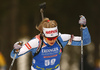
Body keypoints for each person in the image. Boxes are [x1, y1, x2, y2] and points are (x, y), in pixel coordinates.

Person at [10, 15, 91, 70]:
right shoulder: (36, 43)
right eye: (49, 38)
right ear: (43, 35)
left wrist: (84, 27)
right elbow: (13, 56)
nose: (52, 40)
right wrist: (15, 50)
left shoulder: (61, 39)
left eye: (54, 37)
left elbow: (86, 41)